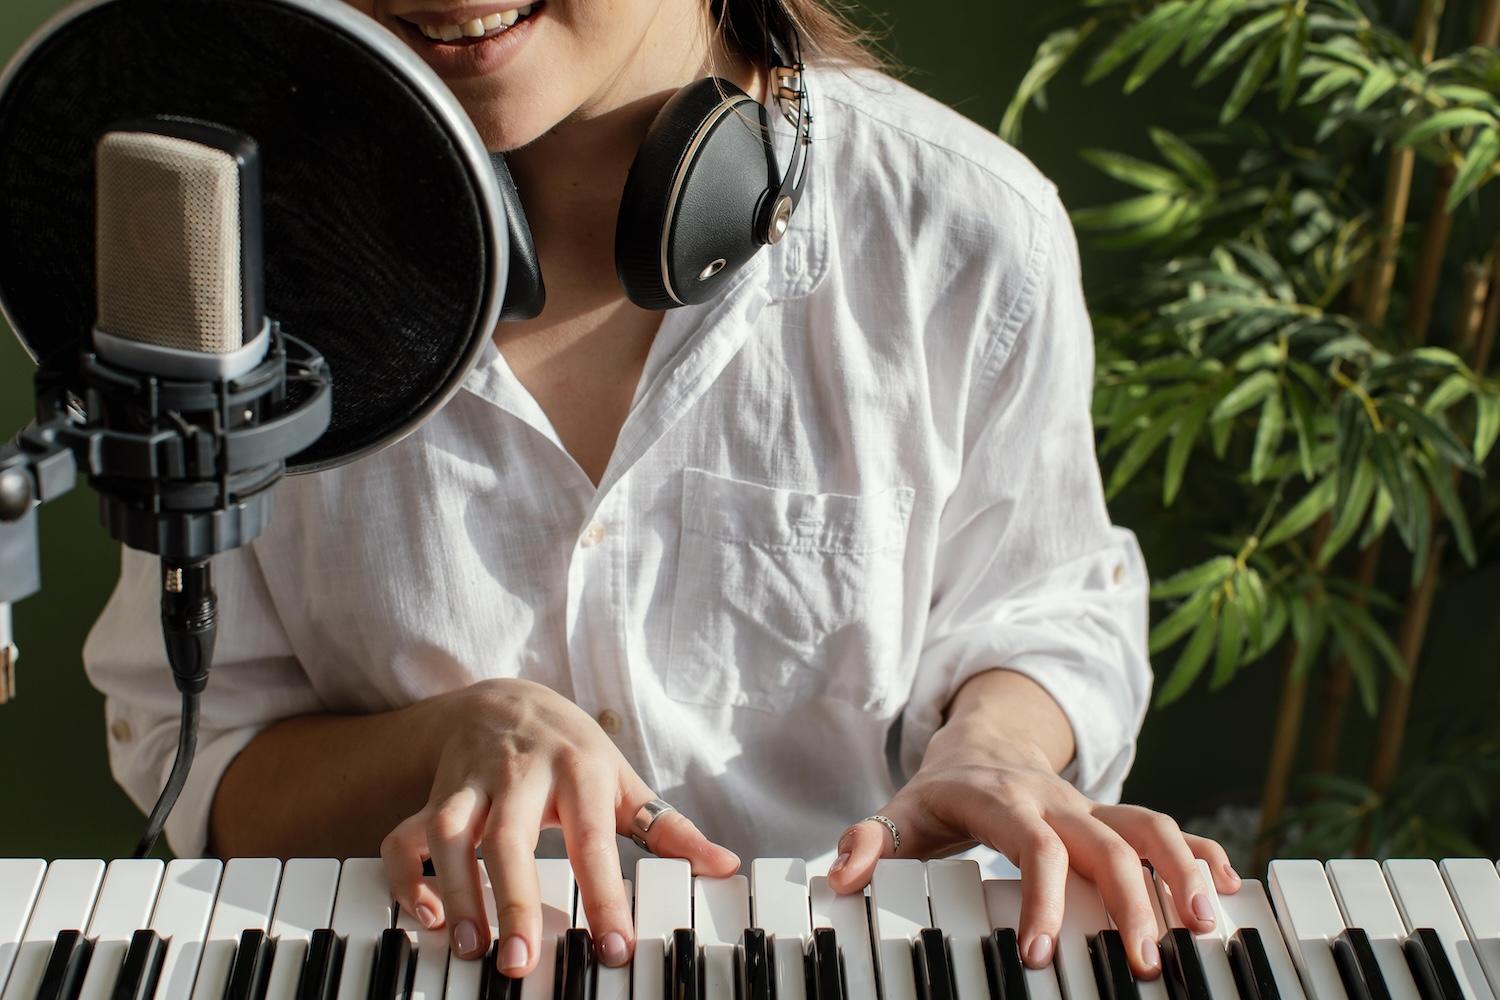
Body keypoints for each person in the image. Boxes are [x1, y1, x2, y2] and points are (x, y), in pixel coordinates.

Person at [83, 0, 1242, 985]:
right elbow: (201, 760)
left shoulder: (967, 227)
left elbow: (1044, 611)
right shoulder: (220, 253)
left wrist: (996, 747)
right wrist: (443, 738)